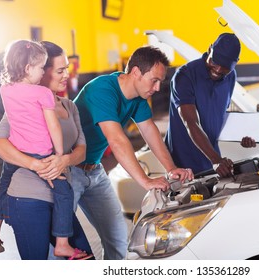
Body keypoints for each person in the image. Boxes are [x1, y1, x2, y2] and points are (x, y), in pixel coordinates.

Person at [72, 45, 194, 259]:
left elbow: (150, 131)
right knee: (65, 245)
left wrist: (171, 168)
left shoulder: (137, 98)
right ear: (136, 72)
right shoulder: (102, 89)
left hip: (94, 170)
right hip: (67, 172)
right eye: (154, 80)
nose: (157, 88)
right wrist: (146, 181)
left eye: (160, 82)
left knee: (117, 237)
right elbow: (117, 140)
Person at [0, 41, 94, 260]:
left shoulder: (68, 105)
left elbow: (81, 150)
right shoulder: (33, 99)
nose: (67, 74)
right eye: (60, 70)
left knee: (87, 259)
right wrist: (39, 164)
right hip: (27, 197)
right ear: (39, 70)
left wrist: (62, 161)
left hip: (56, 195)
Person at [165, 33, 256, 178]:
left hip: (211, 160)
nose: (219, 69)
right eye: (215, 61)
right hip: (182, 163)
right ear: (209, 49)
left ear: (235, 63)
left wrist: (245, 135)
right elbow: (191, 122)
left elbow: (221, 114)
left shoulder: (230, 76)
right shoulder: (185, 76)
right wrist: (216, 160)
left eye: (225, 66)